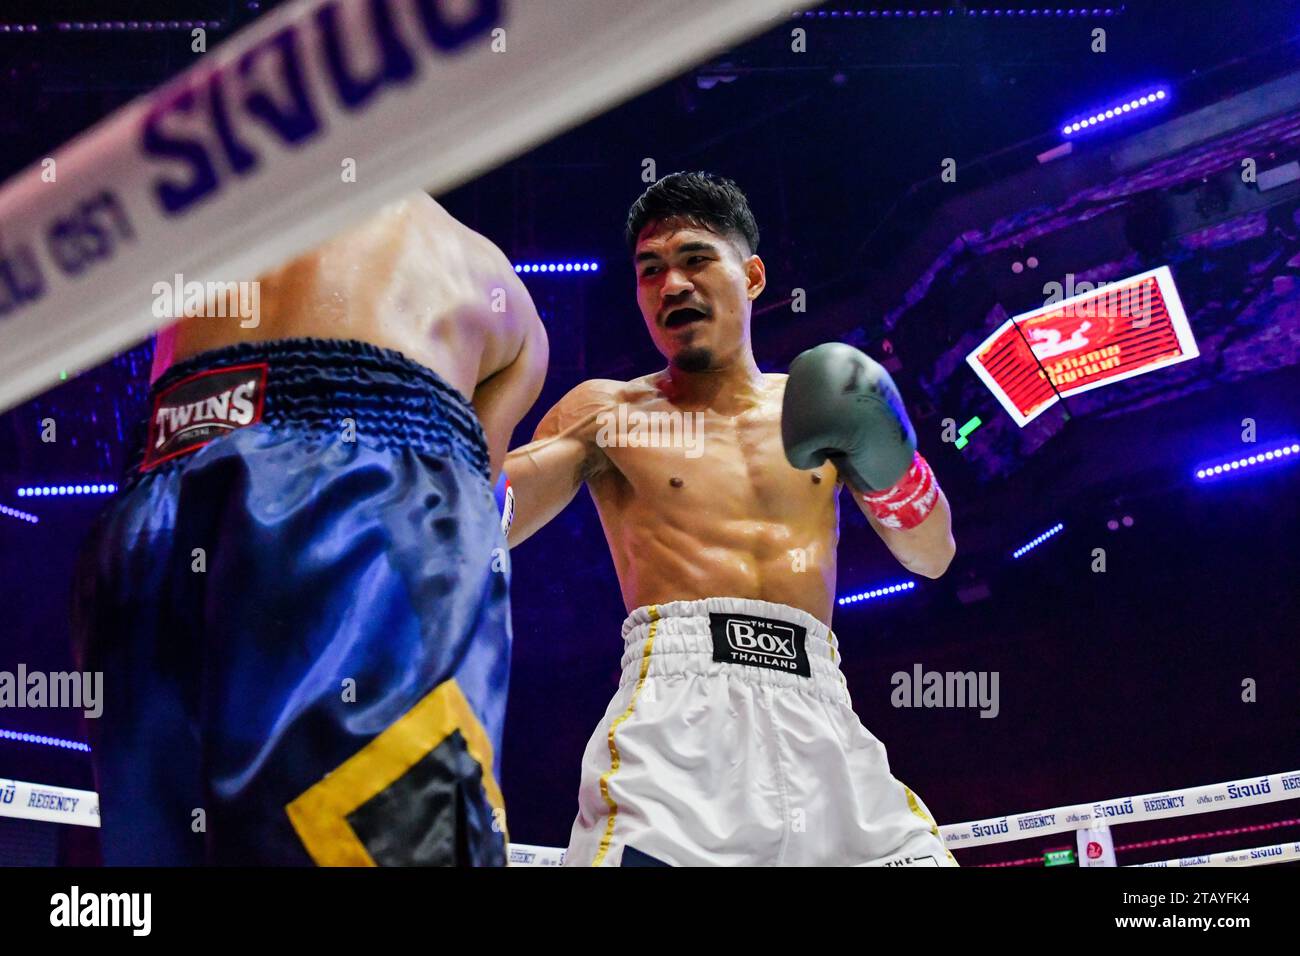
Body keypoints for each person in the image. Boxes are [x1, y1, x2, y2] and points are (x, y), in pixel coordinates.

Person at [73, 192, 547, 865]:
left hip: (152, 502)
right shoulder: (493, 283)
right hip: (360, 492)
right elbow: (475, 519)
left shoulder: (205, 222)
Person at [505, 172, 956, 866]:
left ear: (751, 276)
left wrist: (895, 459)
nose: (672, 285)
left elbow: (931, 556)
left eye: (694, 259)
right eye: (650, 271)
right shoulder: (608, 413)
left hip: (821, 709)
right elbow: (480, 524)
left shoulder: (819, 404)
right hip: (678, 720)